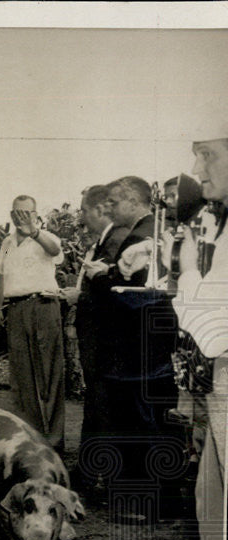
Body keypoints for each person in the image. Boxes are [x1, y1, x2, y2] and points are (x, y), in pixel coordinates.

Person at [122, 120, 228, 540]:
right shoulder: (217, 223)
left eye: (207, 155)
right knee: (211, 497)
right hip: (219, 378)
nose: (196, 169)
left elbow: (210, 318)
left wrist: (176, 280)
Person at [92, 176, 179, 513]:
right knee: (151, 425)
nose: (109, 208)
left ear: (132, 200)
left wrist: (101, 278)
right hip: (145, 353)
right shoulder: (148, 233)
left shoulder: (145, 237)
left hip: (138, 356)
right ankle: (160, 501)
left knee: (141, 426)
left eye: (114, 202)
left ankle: (145, 503)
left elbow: (137, 298)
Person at [58, 185, 130, 481]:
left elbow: (111, 293)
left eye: (85, 211)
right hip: (97, 338)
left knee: (103, 404)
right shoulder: (105, 240)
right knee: (96, 401)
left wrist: (80, 298)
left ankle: (97, 472)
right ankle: (92, 470)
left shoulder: (115, 241)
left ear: (100, 210)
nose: (82, 218)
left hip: (105, 340)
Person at [0, 195, 66, 451]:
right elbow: (1, 276)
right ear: (11, 215)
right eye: (18, 213)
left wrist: (33, 232)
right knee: (22, 376)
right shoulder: (7, 242)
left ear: (35, 215)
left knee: (49, 373)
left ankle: (54, 440)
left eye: (27, 213)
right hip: (17, 310)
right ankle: (30, 437)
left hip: (43, 307)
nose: (22, 217)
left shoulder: (47, 238)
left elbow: (55, 251)